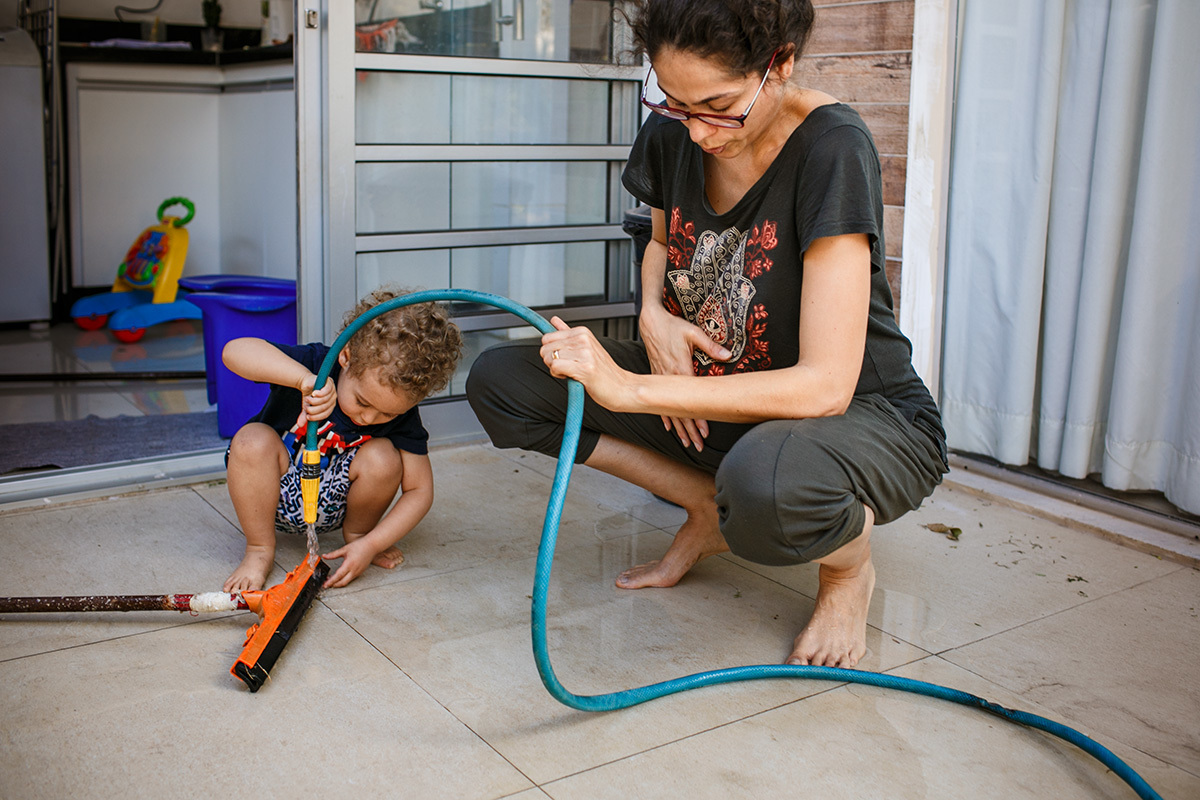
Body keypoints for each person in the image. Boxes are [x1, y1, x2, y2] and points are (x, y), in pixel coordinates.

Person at [467, 0, 948, 669]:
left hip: (859, 415)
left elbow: (827, 386)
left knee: (768, 487)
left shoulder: (832, 147)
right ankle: (703, 506)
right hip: (714, 388)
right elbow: (662, 241)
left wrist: (633, 388)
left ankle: (846, 570)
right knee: (506, 381)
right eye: (673, 103)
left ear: (778, 64)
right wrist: (652, 315)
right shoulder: (675, 131)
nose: (696, 132)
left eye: (717, 106)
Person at [222, 287, 462, 592]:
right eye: (362, 402)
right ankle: (259, 549)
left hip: (337, 506)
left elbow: (420, 491)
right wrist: (304, 381)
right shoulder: (318, 364)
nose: (369, 419)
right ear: (346, 357)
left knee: (383, 457)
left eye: (387, 414)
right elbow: (233, 351)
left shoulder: (401, 414)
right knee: (250, 440)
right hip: (274, 496)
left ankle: (358, 538)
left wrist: (374, 543)